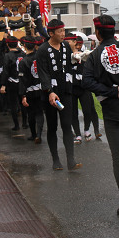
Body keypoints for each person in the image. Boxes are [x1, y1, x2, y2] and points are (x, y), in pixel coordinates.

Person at [83, 15, 119, 218]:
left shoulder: (95, 55)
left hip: (113, 111)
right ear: (113, 30)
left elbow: (87, 82)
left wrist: (111, 90)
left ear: (98, 33)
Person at [36, 19, 82, 171]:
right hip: (50, 94)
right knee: (52, 127)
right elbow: (42, 73)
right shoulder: (42, 50)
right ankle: (56, 160)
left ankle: (71, 160)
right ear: (51, 33)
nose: (63, 34)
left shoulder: (66, 46)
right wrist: (49, 91)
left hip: (66, 91)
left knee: (67, 125)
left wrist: (76, 58)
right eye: (60, 31)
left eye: (63, 30)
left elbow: (68, 66)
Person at [69, 35, 101, 141]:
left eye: (80, 44)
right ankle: (78, 134)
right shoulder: (66, 56)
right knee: (73, 112)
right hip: (71, 87)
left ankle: (88, 130)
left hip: (84, 87)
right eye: (76, 44)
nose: (78, 46)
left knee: (88, 110)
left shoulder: (85, 55)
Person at [19, 36, 44, 142]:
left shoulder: (23, 61)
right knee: (40, 112)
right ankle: (39, 134)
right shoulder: (40, 58)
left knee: (31, 113)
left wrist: (23, 95)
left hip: (29, 90)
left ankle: (33, 134)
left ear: (24, 45)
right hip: (41, 89)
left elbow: (22, 80)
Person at [0, 35, 27, 132]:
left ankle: (16, 125)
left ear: (7, 44)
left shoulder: (7, 56)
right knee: (23, 102)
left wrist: (3, 84)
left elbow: (5, 71)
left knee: (13, 104)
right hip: (23, 81)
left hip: (12, 82)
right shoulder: (23, 54)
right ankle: (25, 123)